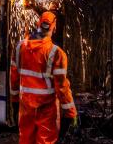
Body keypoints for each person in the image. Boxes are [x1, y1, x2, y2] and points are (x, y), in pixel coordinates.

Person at [10, 11, 77, 144]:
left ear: (38, 23)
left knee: (25, 140)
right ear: (54, 27)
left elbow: (14, 79)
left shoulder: (19, 48)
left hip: (25, 108)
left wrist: (14, 103)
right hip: (46, 110)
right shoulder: (56, 53)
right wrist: (70, 113)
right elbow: (62, 87)